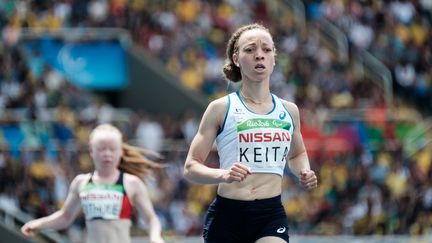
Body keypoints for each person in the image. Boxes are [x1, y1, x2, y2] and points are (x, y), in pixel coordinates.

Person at [183, 23, 318, 243]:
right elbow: (190, 167)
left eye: (266, 50)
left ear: (274, 58)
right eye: (250, 49)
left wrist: (304, 170)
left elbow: (296, 154)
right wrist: (224, 175)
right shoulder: (220, 108)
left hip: (270, 215)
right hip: (228, 216)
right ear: (236, 59)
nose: (259, 55)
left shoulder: (289, 111)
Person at [21, 124, 165, 243]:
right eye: (101, 149)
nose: (107, 154)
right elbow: (65, 217)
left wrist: (155, 237)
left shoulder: (131, 183)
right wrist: (38, 224)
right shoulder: (81, 182)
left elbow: (151, 218)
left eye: (112, 149)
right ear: (91, 151)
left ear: (120, 152)